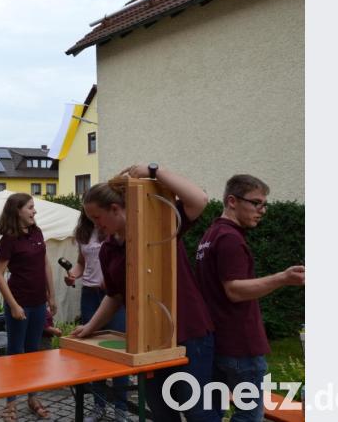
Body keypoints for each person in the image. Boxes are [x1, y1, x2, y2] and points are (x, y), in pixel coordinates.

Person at [72, 164, 218, 422]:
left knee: (198, 412)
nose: (95, 225)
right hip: (148, 342)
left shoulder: (160, 227)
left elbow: (199, 199)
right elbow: (115, 295)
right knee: (162, 412)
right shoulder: (107, 249)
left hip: (189, 334)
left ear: (116, 209)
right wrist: (90, 327)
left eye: (97, 218)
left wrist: (154, 170)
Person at [195, 175, 305, 421]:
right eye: (256, 203)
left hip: (219, 343)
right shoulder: (230, 239)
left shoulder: (210, 235)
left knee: (215, 411)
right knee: (250, 415)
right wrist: (282, 278)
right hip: (241, 346)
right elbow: (234, 290)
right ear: (232, 201)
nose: (262, 211)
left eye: (264, 204)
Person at [0, 193, 57, 421]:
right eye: (30, 207)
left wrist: (52, 295)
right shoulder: (9, 239)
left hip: (39, 303)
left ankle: (32, 397)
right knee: (15, 354)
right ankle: (10, 403)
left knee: (33, 354)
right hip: (19, 305)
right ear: (17, 210)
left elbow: (45, 263)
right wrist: (13, 305)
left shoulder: (37, 232)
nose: (34, 211)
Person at [64, 204, 128, 417]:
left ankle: (121, 409)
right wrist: (73, 274)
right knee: (94, 354)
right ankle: (98, 406)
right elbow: (81, 264)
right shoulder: (83, 232)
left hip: (113, 297)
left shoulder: (112, 230)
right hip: (90, 295)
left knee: (120, 351)